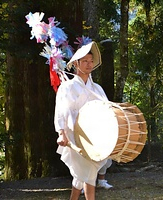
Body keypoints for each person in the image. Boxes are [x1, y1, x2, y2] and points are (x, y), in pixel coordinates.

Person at [55, 41, 111, 200]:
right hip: (75, 136)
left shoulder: (97, 88)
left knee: (83, 175)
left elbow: (107, 110)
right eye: (85, 61)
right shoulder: (67, 87)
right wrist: (61, 133)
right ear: (76, 64)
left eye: (91, 61)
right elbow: (60, 111)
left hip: (94, 137)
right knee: (88, 173)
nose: (89, 64)